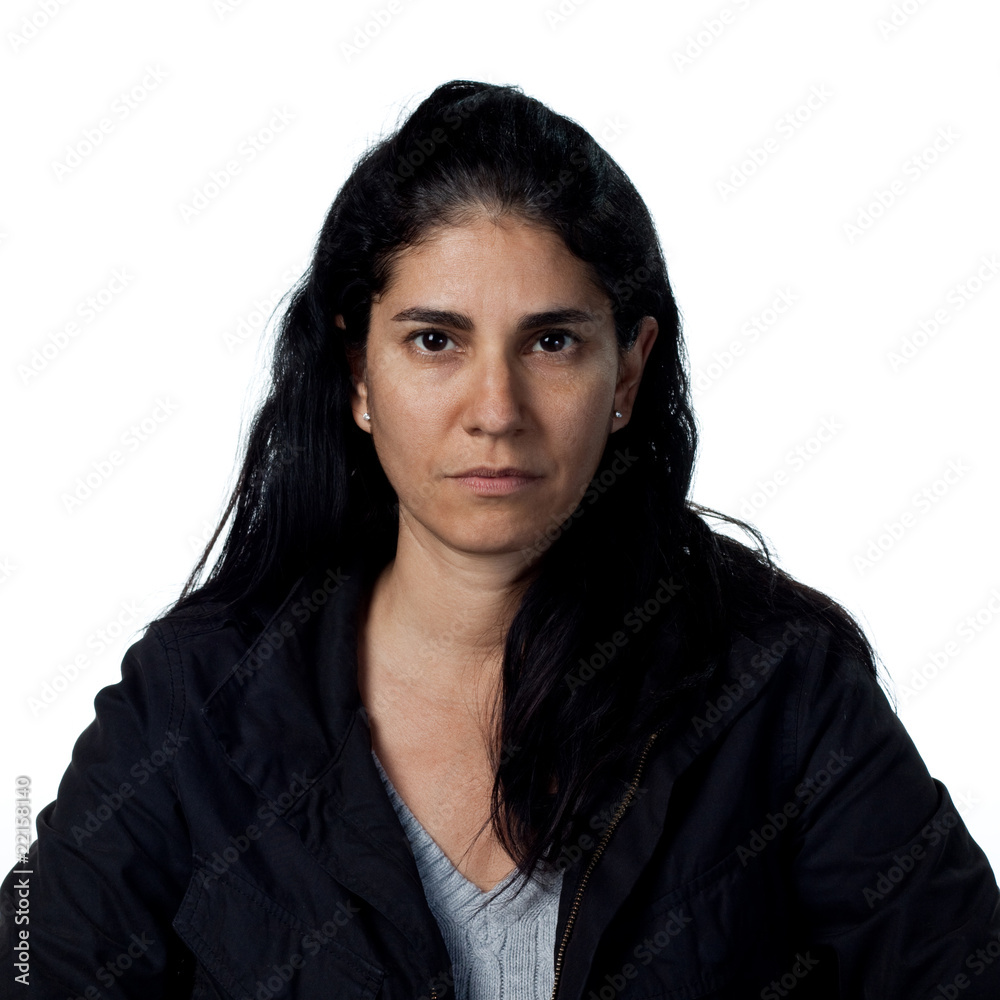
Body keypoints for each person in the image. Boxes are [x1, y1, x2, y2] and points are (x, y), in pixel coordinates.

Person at [2, 79, 998, 1000]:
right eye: (435, 340)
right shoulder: (195, 702)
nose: (496, 409)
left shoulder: (781, 689)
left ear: (628, 372)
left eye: (551, 342)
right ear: (358, 373)